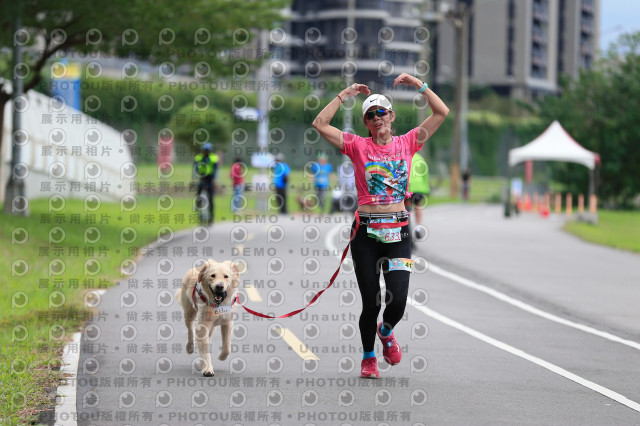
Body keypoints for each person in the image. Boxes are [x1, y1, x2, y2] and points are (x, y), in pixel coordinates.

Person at [312, 73, 449, 378]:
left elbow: (442, 112)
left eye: (382, 113)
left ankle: (386, 332)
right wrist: (344, 94)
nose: (377, 119)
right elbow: (320, 124)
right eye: (371, 115)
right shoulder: (357, 146)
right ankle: (368, 357)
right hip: (366, 235)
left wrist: (419, 85)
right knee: (371, 300)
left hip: (398, 231)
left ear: (391, 116)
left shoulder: (409, 142)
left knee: (398, 299)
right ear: (366, 122)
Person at [193, 142, 219, 225]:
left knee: (210, 198)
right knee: (199, 193)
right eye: (205, 150)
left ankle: (211, 218)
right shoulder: (198, 157)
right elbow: (195, 168)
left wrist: (214, 179)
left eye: (207, 151)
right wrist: (193, 178)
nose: (206, 152)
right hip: (202, 177)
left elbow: (215, 169)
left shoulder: (213, 157)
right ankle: (198, 205)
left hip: (210, 178)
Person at [406, 151, 430, 240]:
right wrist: (427, 189)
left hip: (407, 187)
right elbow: (425, 174)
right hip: (419, 186)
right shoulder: (420, 158)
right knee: (418, 205)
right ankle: (418, 226)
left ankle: (405, 224)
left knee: (404, 206)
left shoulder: (403, 156)